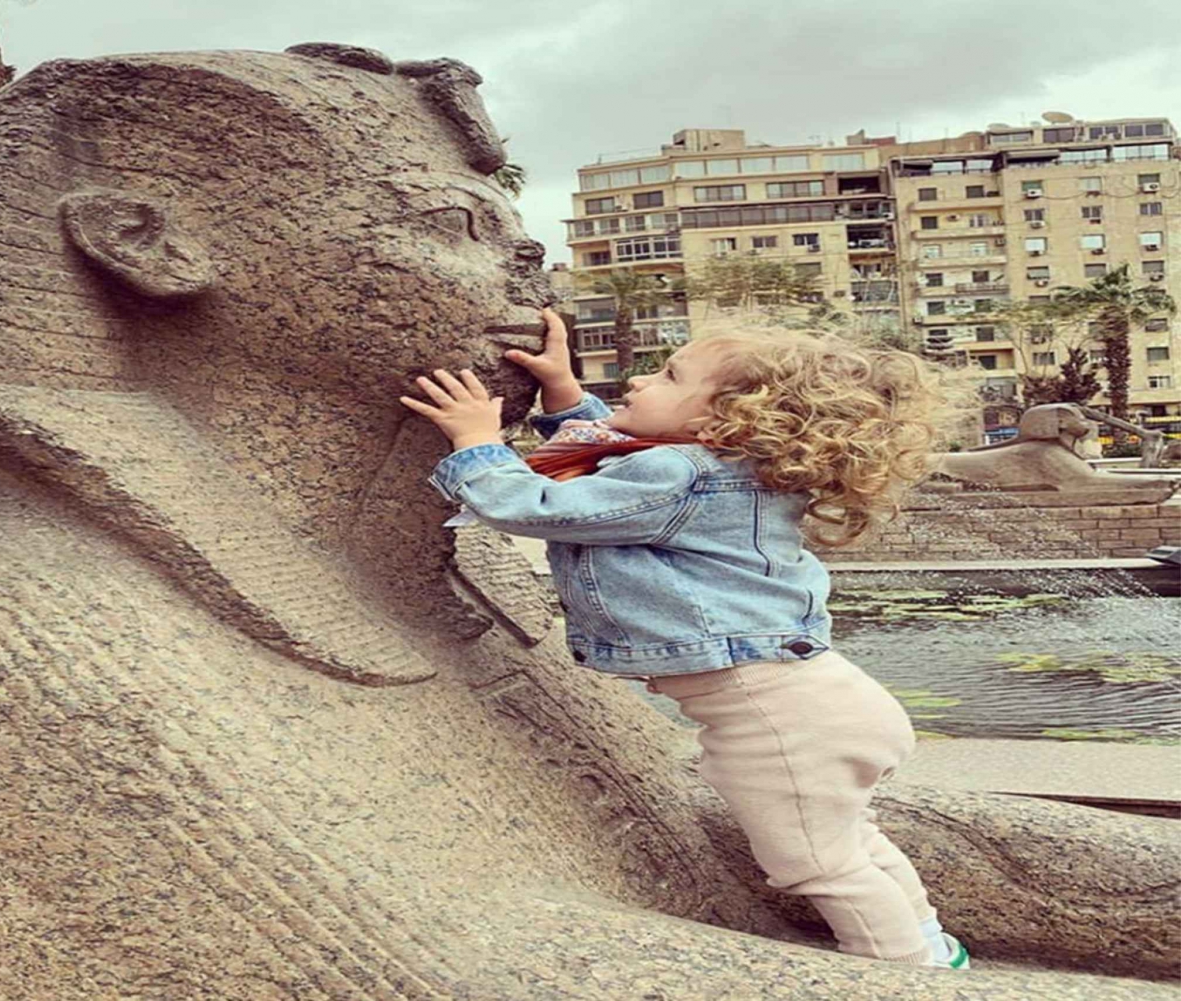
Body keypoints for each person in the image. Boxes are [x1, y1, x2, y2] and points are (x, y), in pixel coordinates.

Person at [401, 308, 968, 969]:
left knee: (814, 863)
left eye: (669, 374)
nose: (641, 379)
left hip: (780, 715)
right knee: (850, 840)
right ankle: (930, 945)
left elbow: (538, 502)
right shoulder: (713, 468)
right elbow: (595, 462)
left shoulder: (683, 474)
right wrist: (561, 393)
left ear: (722, 421)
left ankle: (905, 973)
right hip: (816, 703)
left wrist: (475, 441)